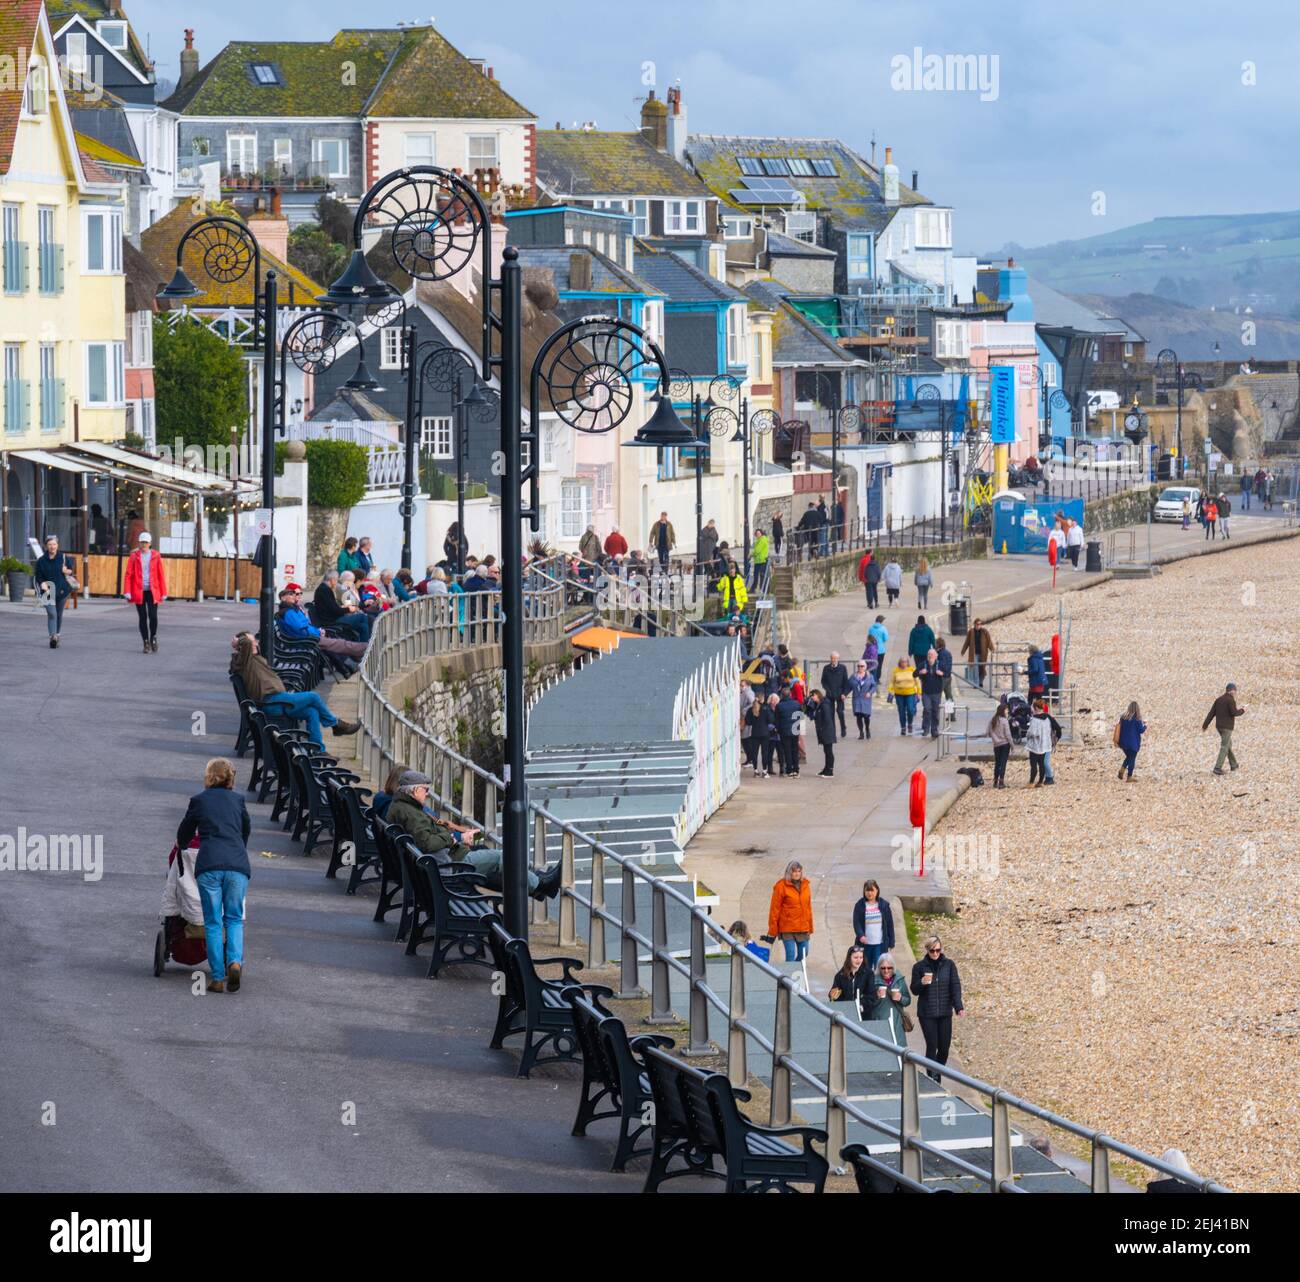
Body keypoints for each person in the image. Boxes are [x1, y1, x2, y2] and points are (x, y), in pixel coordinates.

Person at [388, 771, 562, 899]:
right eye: (425, 789)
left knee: (493, 859)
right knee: (499, 857)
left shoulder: (402, 807)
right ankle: (540, 885)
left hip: (437, 865)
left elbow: (427, 839)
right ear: (414, 790)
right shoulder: (410, 813)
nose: (427, 793)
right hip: (451, 864)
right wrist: (453, 838)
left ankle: (538, 881)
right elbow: (427, 843)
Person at [177, 757, 251, 995]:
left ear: (208, 776)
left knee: (212, 922)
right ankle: (235, 962)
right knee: (234, 918)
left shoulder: (199, 801)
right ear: (231, 777)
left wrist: (183, 844)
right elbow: (245, 829)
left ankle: (218, 978)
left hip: (209, 865)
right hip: (237, 865)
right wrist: (238, 849)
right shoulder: (238, 800)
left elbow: (185, 831)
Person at [230, 632, 359, 749]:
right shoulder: (244, 662)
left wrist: (244, 642)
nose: (256, 644)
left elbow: (248, 645)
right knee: (313, 697)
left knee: (312, 712)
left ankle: (318, 750)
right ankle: (336, 724)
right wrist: (239, 641)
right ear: (243, 646)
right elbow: (246, 644)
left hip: (279, 699)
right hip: (271, 702)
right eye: (253, 642)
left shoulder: (254, 659)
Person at [911, 935, 964, 1081]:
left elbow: (955, 987)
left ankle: (938, 1070)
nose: (935, 953)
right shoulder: (919, 967)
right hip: (927, 1013)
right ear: (927, 951)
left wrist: (958, 1007)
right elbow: (914, 990)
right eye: (932, 951)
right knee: (932, 1044)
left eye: (938, 950)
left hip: (945, 1012)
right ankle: (933, 1076)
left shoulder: (949, 965)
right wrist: (922, 982)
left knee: (944, 1047)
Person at [277, 588, 366, 660]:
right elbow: (302, 629)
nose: (293, 596)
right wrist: (318, 633)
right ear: (283, 598)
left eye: (293, 594)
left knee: (337, 643)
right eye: (290, 594)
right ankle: (364, 649)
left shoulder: (293, 610)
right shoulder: (289, 612)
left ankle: (356, 657)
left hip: (309, 638)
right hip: (307, 640)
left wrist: (318, 631)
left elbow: (306, 626)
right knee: (339, 643)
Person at [124, 531, 166, 654]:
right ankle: (146, 642)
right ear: (139, 543)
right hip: (139, 590)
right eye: (142, 542)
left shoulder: (156, 555)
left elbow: (161, 575)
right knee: (142, 617)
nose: (144, 545)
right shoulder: (134, 556)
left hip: (153, 590)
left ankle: (153, 637)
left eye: (146, 542)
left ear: (150, 543)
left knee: (153, 616)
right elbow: (128, 574)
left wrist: (163, 591)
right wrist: (127, 591)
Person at [764, 860, 813, 961]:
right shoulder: (781, 887)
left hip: (803, 927)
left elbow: (808, 908)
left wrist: (810, 927)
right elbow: (774, 909)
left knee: (804, 953)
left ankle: (795, 971)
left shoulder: (806, 885)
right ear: (789, 872)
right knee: (790, 955)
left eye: (799, 871)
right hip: (787, 928)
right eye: (794, 871)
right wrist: (772, 931)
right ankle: (790, 975)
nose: (797, 874)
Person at [33, 533, 75, 649]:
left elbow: (71, 571)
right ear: (46, 546)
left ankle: (57, 635)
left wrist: (66, 571)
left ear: (57, 545)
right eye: (50, 544)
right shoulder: (41, 561)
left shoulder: (63, 558)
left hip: (62, 590)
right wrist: (42, 583)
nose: (52, 547)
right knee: (52, 613)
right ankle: (53, 637)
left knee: (59, 614)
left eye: (54, 544)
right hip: (48, 590)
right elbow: (38, 575)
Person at [861, 954, 912, 1043]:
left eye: (889, 968)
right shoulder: (872, 980)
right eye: (883, 968)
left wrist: (900, 998)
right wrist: (876, 996)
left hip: (897, 1024)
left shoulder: (899, 980)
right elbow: (866, 1003)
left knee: (898, 1051)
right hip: (879, 1023)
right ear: (878, 968)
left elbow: (907, 1000)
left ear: (893, 968)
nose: (886, 971)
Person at [852, 879, 896, 972]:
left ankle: (877, 986)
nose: (869, 893)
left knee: (879, 967)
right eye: (867, 890)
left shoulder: (884, 905)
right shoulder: (860, 905)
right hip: (865, 944)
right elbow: (856, 923)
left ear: (877, 891)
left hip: (879, 944)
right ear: (864, 892)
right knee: (865, 968)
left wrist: (891, 941)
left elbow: (889, 924)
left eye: (872, 890)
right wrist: (861, 935)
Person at [314, 571, 371, 642]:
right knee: (363, 617)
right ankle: (366, 647)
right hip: (332, 621)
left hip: (332, 618)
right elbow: (335, 610)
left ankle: (364, 648)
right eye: (336, 580)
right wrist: (348, 609)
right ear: (332, 580)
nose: (336, 582)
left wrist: (343, 608)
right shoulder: (325, 590)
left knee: (363, 627)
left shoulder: (323, 589)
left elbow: (333, 608)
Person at [1202, 682, 1245, 775]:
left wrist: (1205, 725)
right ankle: (1217, 768)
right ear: (1232, 690)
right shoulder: (1230, 700)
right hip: (1227, 727)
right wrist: (1242, 710)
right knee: (1225, 746)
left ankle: (1234, 765)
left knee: (1228, 744)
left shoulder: (1218, 700)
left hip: (1219, 727)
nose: (1235, 692)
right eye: (1235, 690)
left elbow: (1211, 713)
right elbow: (1234, 713)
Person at [828, 944, 869, 1012]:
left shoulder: (868, 974)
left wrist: (862, 1005)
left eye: (861, 957)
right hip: (845, 1011)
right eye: (855, 958)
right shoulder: (840, 975)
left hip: (862, 1011)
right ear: (849, 958)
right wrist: (832, 995)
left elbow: (871, 995)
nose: (859, 960)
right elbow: (833, 997)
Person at [915, 647, 945, 739]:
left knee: (935, 711)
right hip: (926, 692)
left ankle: (934, 729)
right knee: (927, 709)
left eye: (932, 655)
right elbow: (914, 674)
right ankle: (926, 728)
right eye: (928, 655)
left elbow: (947, 672)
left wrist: (942, 673)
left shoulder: (940, 664)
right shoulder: (923, 664)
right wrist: (920, 672)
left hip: (936, 692)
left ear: (936, 656)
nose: (930, 656)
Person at [1026, 698, 1056, 786]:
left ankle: (1031, 782)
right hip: (1045, 745)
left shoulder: (1034, 720)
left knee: (1034, 765)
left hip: (1035, 746)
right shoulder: (1048, 719)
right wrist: (1055, 739)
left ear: (1036, 708)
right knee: (1042, 764)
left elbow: (1031, 733)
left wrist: (1028, 735)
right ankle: (1040, 782)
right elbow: (1056, 728)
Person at [743, 688, 773, 777]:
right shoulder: (766, 708)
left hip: (754, 733)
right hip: (765, 733)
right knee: (765, 753)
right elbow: (771, 720)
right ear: (762, 698)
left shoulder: (751, 710)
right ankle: (764, 771)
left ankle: (756, 771)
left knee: (754, 753)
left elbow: (748, 722)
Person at [774, 686, 803, 777]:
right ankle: (796, 769)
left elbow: (777, 720)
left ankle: (789, 770)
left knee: (787, 750)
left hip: (784, 730)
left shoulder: (779, 706)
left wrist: (778, 729)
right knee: (795, 750)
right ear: (790, 694)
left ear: (782, 695)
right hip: (795, 729)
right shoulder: (797, 704)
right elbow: (800, 717)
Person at [887, 655, 919, 735]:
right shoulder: (896, 671)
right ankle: (903, 727)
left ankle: (910, 724)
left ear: (908, 662)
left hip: (910, 693)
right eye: (902, 662)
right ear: (899, 663)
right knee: (901, 711)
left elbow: (917, 682)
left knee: (910, 710)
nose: (904, 663)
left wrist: (919, 692)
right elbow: (892, 682)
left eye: (905, 662)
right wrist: (890, 691)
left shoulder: (912, 670)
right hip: (899, 694)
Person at [820, 652, 849, 737]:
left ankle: (843, 727)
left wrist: (844, 693)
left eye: (835, 658)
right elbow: (823, 681)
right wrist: (827, 690)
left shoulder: (843, 668)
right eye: (832, 658)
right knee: (830, 713)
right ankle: (833, 731)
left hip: (840, 694)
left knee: (840, 712)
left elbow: (845, 682)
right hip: (830, 694)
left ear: (838, 659)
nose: (833, 660)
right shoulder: (826, 668)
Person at [809, 688, 837, 777]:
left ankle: (830, 771)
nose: (812, 698)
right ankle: (826, 768)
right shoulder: (819, 704)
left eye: (812, 696)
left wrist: (822, 729)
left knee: (829, 751)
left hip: (827, 731)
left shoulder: (824, 705)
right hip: (824, 731)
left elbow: (827, 719)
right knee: (826, 751)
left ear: (817, 695)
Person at [1116, 700, 1146, 781]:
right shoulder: (1137, 718)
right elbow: (1141, 730)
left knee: (1129, 757)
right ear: (1137, 709)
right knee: (1132, 758)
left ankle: (1121, 771)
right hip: (1133, 743)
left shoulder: (1123, 717)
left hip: (1123, 743)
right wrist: (1145, 726)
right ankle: (1129, 777)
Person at [987, 699, 1012, 788]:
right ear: (1003, 711)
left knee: (997, 762)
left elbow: (988, 732)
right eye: (1006, 710)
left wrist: (995, 739)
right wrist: (1012, 745)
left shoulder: (992, 720)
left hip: (996, 745)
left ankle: (995, 781)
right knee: (1003, 763)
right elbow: (1008, 735)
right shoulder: (1005, 721)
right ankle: (1001, 782)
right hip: (1005, 744)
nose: (1007, 711)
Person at [962, 618, 994, 688]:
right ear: (975, 624)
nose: (979, 626)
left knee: (982, 668)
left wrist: (992, 649)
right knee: (975, 668)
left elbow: (989, 642)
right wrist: (963, 651)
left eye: (980, 624)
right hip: (974, 654)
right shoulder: (971, 632)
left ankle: (980, 682)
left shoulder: (985, 632)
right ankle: (976, 684)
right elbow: (967, 642)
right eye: (977, 624)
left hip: (983, 653)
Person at [848, 659, 876, 739]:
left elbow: (874, 686)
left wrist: (870, 693)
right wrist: (844, 694)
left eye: (862, 666)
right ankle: (861, 733)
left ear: (865, 667)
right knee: (858, 716)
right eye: (858, 666)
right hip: (857, 699)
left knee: (866, 716)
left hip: (866, 699)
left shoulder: (870, 676)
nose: (860, 668)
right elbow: (848, 686)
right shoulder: (853, 676)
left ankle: (867, 729)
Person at [868, 615, 888, 682]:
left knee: (872, 664)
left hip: (872, 649)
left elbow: (869, 637)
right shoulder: (883, 628)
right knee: (879, 664)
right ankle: (877, 678)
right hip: (881, 649)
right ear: (881, 621)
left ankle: (872, 677)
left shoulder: (871, 628)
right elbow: (886, 638)